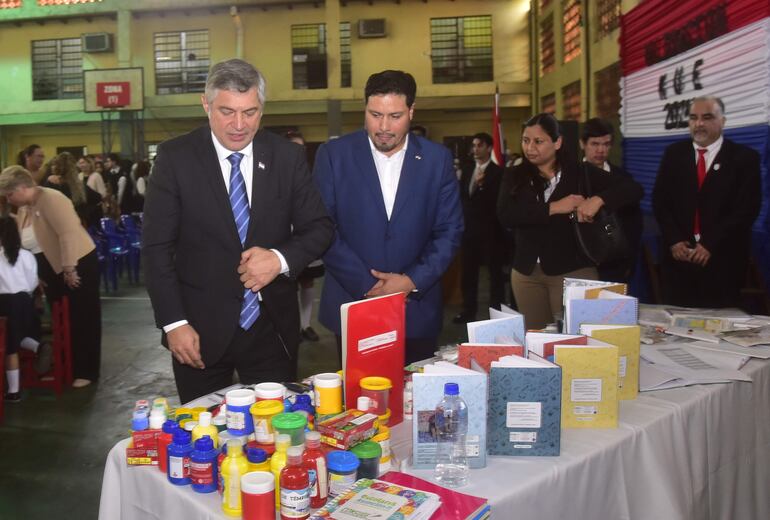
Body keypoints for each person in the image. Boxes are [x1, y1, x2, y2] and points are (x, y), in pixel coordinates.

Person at [143, 58, 334, 403]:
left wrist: (279, 259)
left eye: (250, 112)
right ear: (206, 104)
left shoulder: (286, 158)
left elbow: (319, 227)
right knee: (201, 437)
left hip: (270, 329)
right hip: (196, 331)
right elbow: (156, 249)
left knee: (275, 435)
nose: (238, 125)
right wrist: (173, 324)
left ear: (262, 108)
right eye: (226, 111)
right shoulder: (175, 158)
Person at [314, 70, 464, 365]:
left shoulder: (437, 159)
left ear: (411, 111)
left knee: (414, 400)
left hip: (416, 309)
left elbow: (449, 230)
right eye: (374, 114)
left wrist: (411, 280)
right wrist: (368, 285)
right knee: (359, 404)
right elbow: (322, 227)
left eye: (395, 116)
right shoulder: (334, 155)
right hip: (353, 301)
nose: (383, 126)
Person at [497, 113, 642, 329]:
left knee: (573, 339)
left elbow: (633, 189)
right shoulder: (515, 175)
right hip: (526, 273)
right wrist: (555, 207)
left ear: (557, 142)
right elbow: (506, 214)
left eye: (538, 141)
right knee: (535, 337)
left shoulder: (580, 173)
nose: (530, 148)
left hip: (572, 270)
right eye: (526, 141)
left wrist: (598, 200)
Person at [652, 96, 761, 308]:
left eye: (707, 117)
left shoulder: (744, 158)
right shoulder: (674, 154)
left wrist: (710, 243)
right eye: (693, 118)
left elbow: (747, 209)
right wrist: (674, 240)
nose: (699, 123)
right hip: (679, 262)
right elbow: (660, 201)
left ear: (723, 121)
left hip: (722, 261)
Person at [0, 166, 101, 389]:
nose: (8, 199)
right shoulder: (29, 205)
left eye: (9, 194)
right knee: (63, 322)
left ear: (22, 188)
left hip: (77, 263)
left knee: (83, 319)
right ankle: (69, 366)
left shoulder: (52, 199)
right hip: (54, 268)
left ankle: (87, 371)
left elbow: (68, 234)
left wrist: (69, 269)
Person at [579, 118, 643, 284]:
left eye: (606, 144)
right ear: (582, 144)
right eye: (595, 144)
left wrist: (600, 199)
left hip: (615, 264)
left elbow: (634, 217)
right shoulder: (571, 176)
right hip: (580, 263)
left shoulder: (622, 177)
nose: (601, 150)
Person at [453, 132, 507, 324]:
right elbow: (462, 199)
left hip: (491, 232)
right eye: (474, 146)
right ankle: (468, 311)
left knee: (495, 275)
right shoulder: (467, 170)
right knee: (468, 274)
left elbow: (499, 202)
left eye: (480, 146)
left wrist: (483, 187)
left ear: (490, 148)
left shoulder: (499, 173)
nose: (475, 149)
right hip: (469, 232)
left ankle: (497, 313)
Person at [0, 216, 52, 402]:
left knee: (9, 347)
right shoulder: (27, 255)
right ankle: (39, 346)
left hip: (4, 304)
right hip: (25, 303)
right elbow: (31, 283)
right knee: (18, 336)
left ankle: (13, 391)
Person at [285, 130, 324, 342]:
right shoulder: (271, 171)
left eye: (301, 147)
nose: (298, 151)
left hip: (306, 239)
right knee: (286, 286)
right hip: (281, 243)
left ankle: (305, 325)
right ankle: (291, 328)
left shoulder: (311, 174)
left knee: (307, 283)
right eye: (293, 146)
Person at [44, 152, 103, 228]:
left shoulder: (50, 183)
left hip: (56, 225)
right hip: (76, 224)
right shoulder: (79, 185)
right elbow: (98, 198)